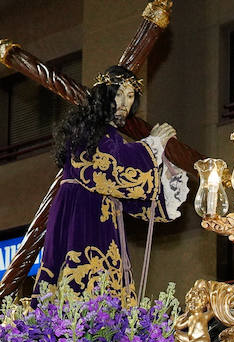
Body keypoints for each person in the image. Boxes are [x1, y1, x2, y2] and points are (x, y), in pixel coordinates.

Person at [38, 65, 188, 301]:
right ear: (103, 96)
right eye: (118, 94)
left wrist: (166, 184)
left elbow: (128, 192)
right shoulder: (88, 130)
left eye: (130, 96)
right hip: (82, 218)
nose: (124, 103)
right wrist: (152, 145)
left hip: (102, 220)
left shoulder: (110, 136)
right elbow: (108, 169)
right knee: (82, 299)